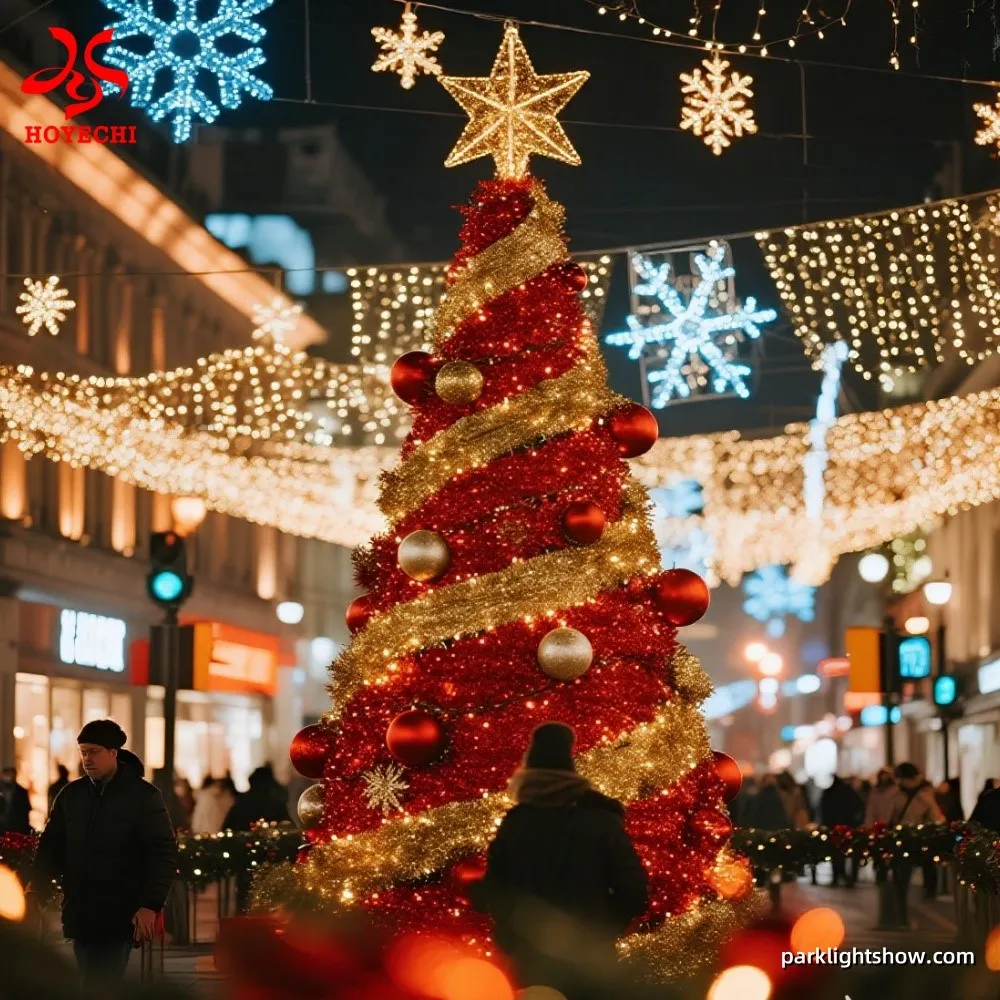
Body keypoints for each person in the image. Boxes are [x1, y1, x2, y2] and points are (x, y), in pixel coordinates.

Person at [470, 723, 648, 999]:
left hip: (529, 959)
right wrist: (601, 930)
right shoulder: (600, 820)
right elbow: (633, 889)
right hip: (590, 960)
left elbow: (495, 891)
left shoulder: (515, 823)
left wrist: (512, 934)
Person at [27, 719, 177, 986]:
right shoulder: (71, 795)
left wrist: (150, 904)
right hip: (81, 911)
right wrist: (35, 891)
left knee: (103, 983)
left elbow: (162, 853)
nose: (87, 759)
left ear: (113, 753)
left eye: (94, 752)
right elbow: (52, 847)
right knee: (88, 981)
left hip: (120, 911)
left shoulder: (143, 796)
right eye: (83, 752)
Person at [884, 762, 944, 927]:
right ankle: (901, 916)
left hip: (916, 843)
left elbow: (935, 819)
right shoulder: (897, 796)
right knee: (900, 881)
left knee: (904, 879)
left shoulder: (925, 797)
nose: (901, 783)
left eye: (903, 779)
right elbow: (890, 819)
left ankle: (904, 914)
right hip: (900, 842)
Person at [819, 775, 864, 887]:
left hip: (834, 827)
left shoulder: (829, 793)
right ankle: (846, 876)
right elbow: (858, 805)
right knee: (843, 853)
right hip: (845, 826)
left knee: (835, 853)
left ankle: (838, 876)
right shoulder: (848, 792)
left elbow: (824, 809)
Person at [0, 766, 32, 833]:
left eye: (10, 775)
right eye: (6, 775)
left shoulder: (21, 792)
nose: (8, 777)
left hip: (16, 829)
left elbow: (26, 810)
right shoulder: (21, 791)